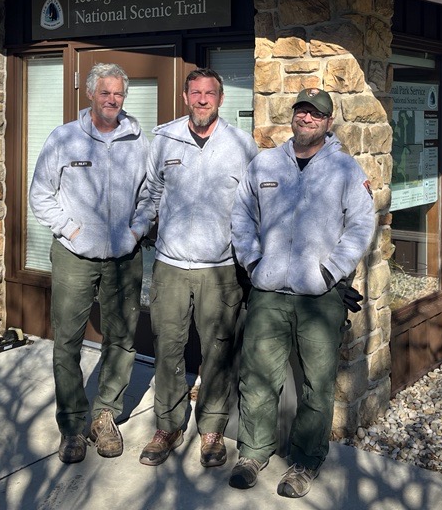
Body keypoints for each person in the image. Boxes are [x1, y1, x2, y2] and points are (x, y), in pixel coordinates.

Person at [229, 87, 376, 498]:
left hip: (320, 297)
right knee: (258, 376)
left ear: (329, 122)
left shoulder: (346, 170)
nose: (307, 118)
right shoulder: (266, 164)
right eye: (301, 111)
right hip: (269, 292)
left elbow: (362, 225)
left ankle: (304, 461)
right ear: (293, 117)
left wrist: (330, 271)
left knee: (317, 385)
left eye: (316, 114)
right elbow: (241, 214)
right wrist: (254, 263)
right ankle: (254, 451)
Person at [29, 63, 154, 464]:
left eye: (118, 94)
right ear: (90, 94)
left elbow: (152, 193)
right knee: (67, 340)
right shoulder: (64, 139)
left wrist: (136, 232)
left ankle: (104, 415)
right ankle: (71, 425)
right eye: (105, 93)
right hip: (74, 257)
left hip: (124, 258)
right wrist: (72, 230)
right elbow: (41, 194)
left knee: (122, 338)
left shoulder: (139, 141)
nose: (112, 100)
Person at [138, 68, 258, 468]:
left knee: (218, 352)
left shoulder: (241, 145)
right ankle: (168, 426)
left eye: (210, 93)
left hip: (220, 269)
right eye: (196, 93)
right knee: (167, 347)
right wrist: (139, 231)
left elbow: (255, 203)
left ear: (221, 99)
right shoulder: (166, 138)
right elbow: (151, 191)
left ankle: (212, 429)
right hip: (170, 265)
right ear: (186, 97)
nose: (203, 99)